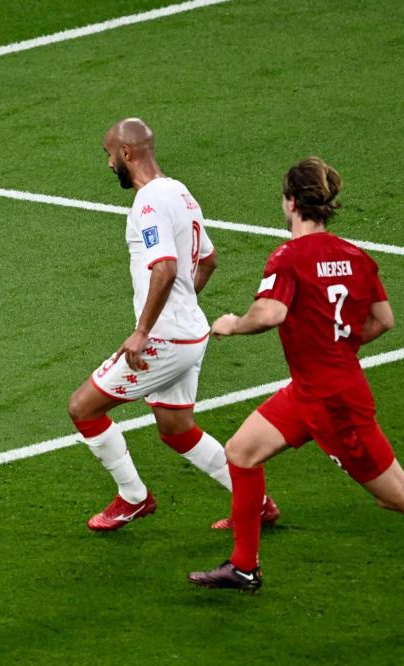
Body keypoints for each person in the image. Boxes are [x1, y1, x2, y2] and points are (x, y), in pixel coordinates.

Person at [188, 157, 404, 592]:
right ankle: (243, 567)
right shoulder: (358, 257)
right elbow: (383, 320)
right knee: (241, 452)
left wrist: (232, 323)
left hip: (335, 404)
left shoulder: (288, 258)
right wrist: (338, 346)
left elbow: (271, 313)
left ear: (290, 202)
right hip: (312, 390)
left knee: (399, 496)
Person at [68, 118, 278, 531]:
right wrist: (182, 306)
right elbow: (209, 260)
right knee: (176, 428)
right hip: (191, 332)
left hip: (164, 339)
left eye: (110, 154)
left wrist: (144, 329)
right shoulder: (181, 193)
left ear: (126, 154)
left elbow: (163, 268)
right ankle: (258, 503)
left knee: (83, 408)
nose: (110, 164)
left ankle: (134, 497)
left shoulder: (148, 204)